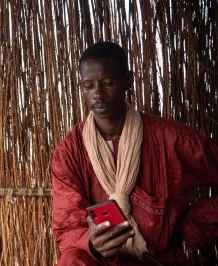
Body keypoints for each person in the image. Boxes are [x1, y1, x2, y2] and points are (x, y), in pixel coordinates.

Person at [51, 42, 218, 265]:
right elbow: (67, 224)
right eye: (88, 86)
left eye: (108, 83)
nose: (98, 95)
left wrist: (190, 225)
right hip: (103, 260)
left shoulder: (170, 138)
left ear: (128, 80)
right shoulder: (69, 153)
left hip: (158, 258)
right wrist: (90, 241)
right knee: (71, 259)